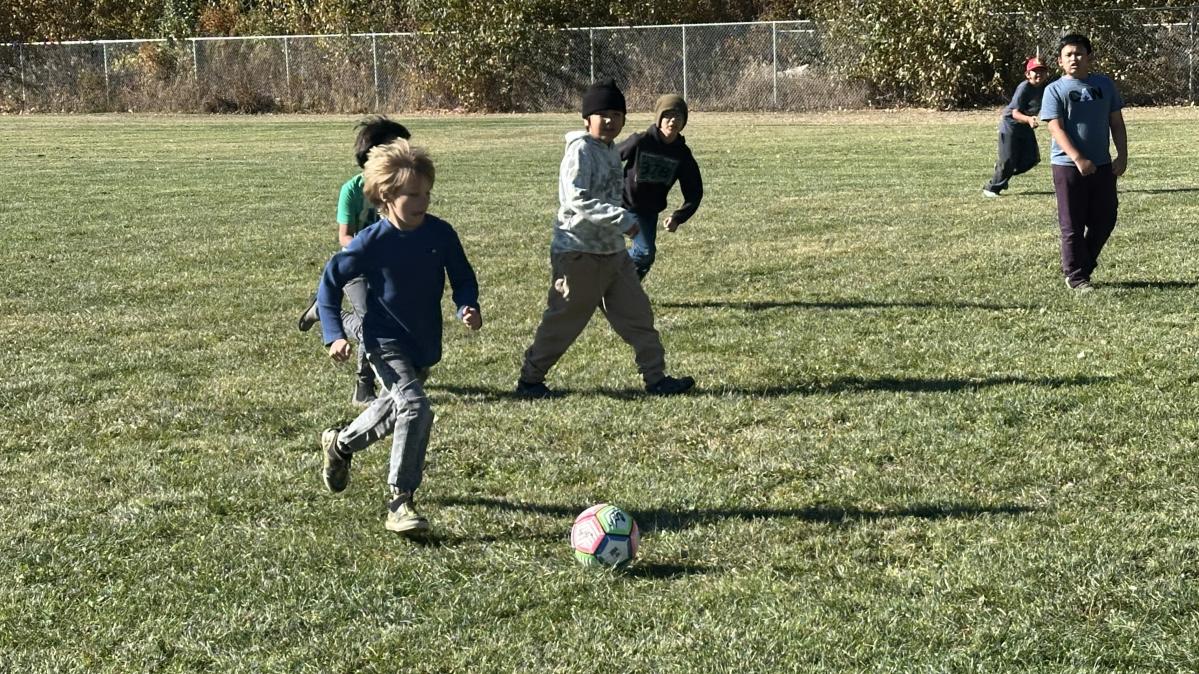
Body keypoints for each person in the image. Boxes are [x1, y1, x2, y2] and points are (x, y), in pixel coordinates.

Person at [316, 139, 482, 535]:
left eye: (427, 193)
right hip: (384, 341)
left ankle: (339, 445)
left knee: (396, 406)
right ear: (387, 196)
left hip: (422, 343)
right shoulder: (370, 243)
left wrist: (466, 304)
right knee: (416, 408)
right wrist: (333, 334)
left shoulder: (440, 234)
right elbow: (329, 284)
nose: (423, 201)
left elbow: (462, 276)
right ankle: (400, 501)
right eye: (413, 194)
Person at [515, 79, 694, 398]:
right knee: (564, 322)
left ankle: (656, 378)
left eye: (616, 114)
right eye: (602, 114)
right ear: (587, 119)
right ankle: (531, 380)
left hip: (613, 254)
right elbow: (576, 198)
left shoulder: (612, 151)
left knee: (638, 315)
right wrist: (622, 219)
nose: (610, 120)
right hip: (578, 253)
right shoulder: (581, 149)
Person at [299, 116, 412, 406]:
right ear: (375, 156)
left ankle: (323, 312)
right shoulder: (351, 191)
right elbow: (345, 237)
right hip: (355, 266)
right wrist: (369, 252)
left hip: (386, 266)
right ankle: (365, 387)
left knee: (382, 321)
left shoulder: (397, 190)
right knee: (371, 323)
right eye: (398, 151)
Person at [1039, 33, 1128, 292]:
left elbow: (1117, 123)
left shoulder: (1105, 85)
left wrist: (1122, 155)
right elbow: (1055, 128)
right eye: (1068, 55)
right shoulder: (1054, 90)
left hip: (1102, 165)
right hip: (1068, 166)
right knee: (1072, 224)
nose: (1074, 58)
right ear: (1060, 61)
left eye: (1079, 53)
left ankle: (1083, 265)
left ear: (1089, 57)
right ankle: (1076, 277)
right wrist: (1078, 158)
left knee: (1105, 218)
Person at [617, 93, 703, 278]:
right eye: (667, 115)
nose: (672, 120)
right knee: (596, 248)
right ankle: (612, 275)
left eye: (678, 116)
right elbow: (611, 158)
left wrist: (678, 217)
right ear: (659, 118)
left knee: (646, 255)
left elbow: (694, 191)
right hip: (619, 204)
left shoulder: (682, 154)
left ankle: (623, 290)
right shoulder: (640, 141)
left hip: (646, 213)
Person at [982, 57, 1050, 197]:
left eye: (1042, 71)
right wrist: (1029, 119)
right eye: (1035, 71)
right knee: (1008, 160)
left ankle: (1004, 172)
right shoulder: (1024, 87)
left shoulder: (1046, 87)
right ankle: (991, 188)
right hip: (1011, 126)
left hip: (1025, 126)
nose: (1039, 74)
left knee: (1031, 159)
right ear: (1027, 74)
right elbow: (1014, 113)